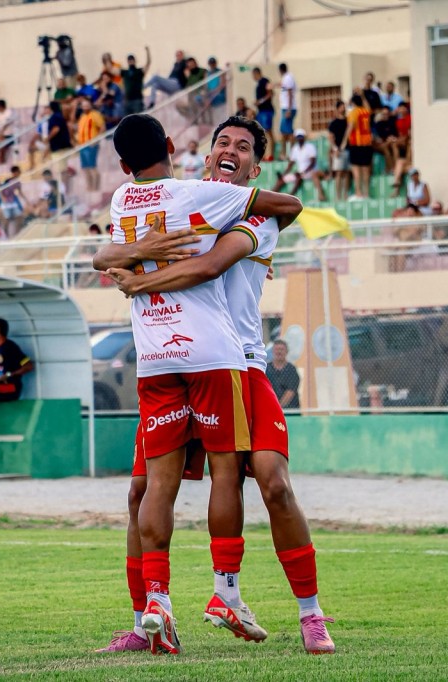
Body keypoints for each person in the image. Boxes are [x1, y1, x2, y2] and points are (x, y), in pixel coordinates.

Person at [97, 115, 332, 655]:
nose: (231, 150)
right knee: (140, 492)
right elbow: (106, 252)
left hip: (241, 365)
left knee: (272, 481)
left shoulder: (256, 217)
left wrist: (136, 278)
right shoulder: (185, 203)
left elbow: (206, 266)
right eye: (223, 142)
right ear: (202, 158)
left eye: (244, 147)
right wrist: (128, 255)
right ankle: (146, 621)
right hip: (184, 363)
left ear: (256, 166)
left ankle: (309, 614)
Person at [272, 129, 326, 202]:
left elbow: (312, 163)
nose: (299, 139)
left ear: (304, 137)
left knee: (299, 178)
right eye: (298, 137)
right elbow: (290, 164)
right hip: (300, 173)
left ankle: (290, 197)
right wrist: (283, 174)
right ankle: (271, 196)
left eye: (301, 137)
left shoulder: (310, 147)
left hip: (310, 171)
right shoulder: (295, 149)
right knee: (281, 180)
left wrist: (303, 172)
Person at [342, 94, 373, 200]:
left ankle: (358, 193)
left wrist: (344, 141)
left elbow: (351, 126)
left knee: (356, 171)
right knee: (366, 171)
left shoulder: (353, 112)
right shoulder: (366, 111)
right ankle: (367, 194)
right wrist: (363, 96)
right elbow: (368, 106)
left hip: (356, 144)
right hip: (367, 144)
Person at [76, 97, 106, 192]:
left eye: (87, 106)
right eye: (84, 106)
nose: (85, 108)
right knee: (86, 168)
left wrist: (96, 140)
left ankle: (96, 188)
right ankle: (90, 187)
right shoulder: (82, 116)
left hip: (91, 145)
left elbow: (102, 127)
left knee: (93, 167)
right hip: (82, 145)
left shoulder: (95, 115)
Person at [266, 339, 300, 409]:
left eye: (281, 349)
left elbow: (290, 391)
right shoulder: (266, 369)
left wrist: (278, 408)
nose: (279, 352)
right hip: (269, 408)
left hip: (290, 411)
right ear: (272, 351)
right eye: (277, 349)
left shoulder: (291, 370)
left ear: (286, 352)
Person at [327, 100, 350, 201]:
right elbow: (331, 137)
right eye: (341, 106)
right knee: (339, 173)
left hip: (347, 149)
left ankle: (345, 195)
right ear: (337, 108)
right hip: (338, 150)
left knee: (346, 173)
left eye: (344, 106)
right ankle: (338, 196)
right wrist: (335, 149)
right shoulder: (334, 123)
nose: (343, 108)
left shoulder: (348, 121)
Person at [251, 67, 275, 161]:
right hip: (261, 111)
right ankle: (265, 155)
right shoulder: (258, 84)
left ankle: (271, 154)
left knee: (269, 132)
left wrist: (260, 101)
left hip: (267, 110)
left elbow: (270, 93)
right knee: (262, 133)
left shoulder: (265, 81)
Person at [277, 63, 297, 161]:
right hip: (286, 108)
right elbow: (282, 85)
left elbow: (289, 93)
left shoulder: (288, 78)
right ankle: (284, 154)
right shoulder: (287, 78)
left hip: (288, 108)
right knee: (284, 132)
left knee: (288, 132)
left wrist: (288, 109)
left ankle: (291, 154)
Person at [121, 48, 150, 115]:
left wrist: (147, 52)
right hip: (128, 101)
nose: (131, 61)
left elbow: (148, 64)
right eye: (129, 60)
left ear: (134, 60)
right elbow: (111, 69)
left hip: (137, 100)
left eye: (132, 59)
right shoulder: (125, 72)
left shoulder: (139, 71)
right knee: (128, 121)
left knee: (138, 119)